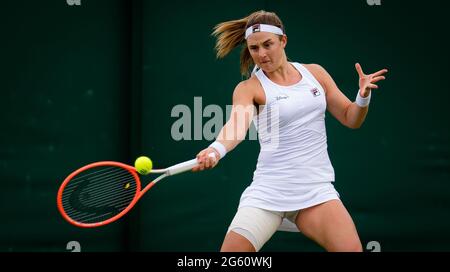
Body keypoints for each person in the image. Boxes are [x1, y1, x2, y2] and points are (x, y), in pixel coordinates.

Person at [192, 10, 388, 252]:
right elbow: (236, 126)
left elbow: (351, 118)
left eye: (268, 44)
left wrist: (362, 97)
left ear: (283, 41)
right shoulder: (249, 88)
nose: (262, 54)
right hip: (268, 193)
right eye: (254, 48)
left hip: (315, 191)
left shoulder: (315, 74)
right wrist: (216, 150)